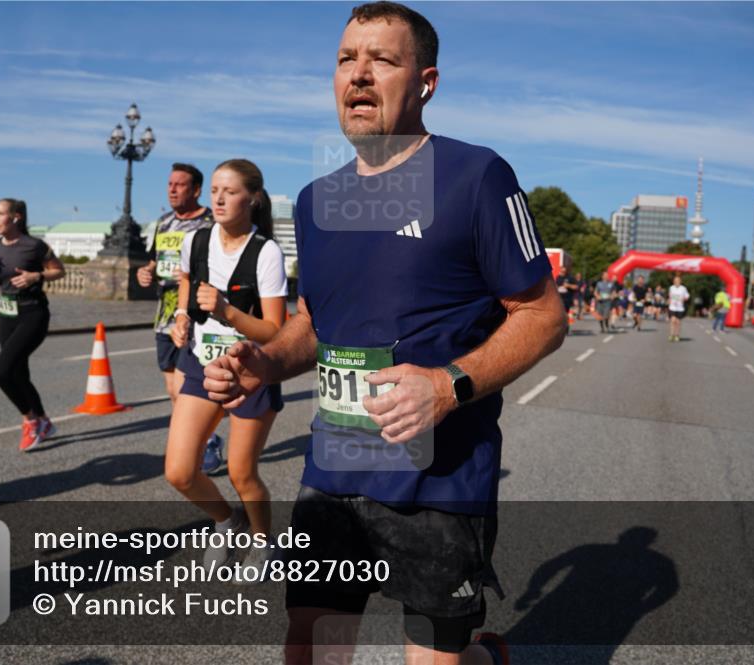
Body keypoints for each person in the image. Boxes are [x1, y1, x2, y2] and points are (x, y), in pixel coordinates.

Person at [203, 4, 566, 662]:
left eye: (382, 60)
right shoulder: (316, 201)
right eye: (347, 59)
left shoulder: (477, 176)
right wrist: (263, 360)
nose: (359, 74)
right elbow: (314, 322)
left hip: (439, 480)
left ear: (426, 82)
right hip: (333, 468)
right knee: (310, 647)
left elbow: (544, 314)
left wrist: (447, 385)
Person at [164, 158, 287, 574]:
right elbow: (185, 280)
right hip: (201, 365)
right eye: (215, 189)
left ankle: (262, 542)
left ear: (252, 197)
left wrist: (228, 311)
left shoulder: (267, 252)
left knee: (241, 473)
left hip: (249, 373)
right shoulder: (196, 241)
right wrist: (182, 316)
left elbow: (275, 332)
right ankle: (226, 521)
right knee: (179, 472)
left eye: (229, 191)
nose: (218, 198)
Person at [137, 163, 226, 475]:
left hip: (195, 317)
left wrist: (192, 275)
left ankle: (207, 441)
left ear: (196, 190)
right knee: (173, 389)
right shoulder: (163, 223)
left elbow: (226, 263)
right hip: (164, 317)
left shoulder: (210, 222)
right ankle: (197, 440)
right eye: (170, 184)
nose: (172, 189)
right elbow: (154, 260)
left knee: (189, 386)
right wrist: (146, 272)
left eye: (180, 184)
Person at [0, 198, 65, 451]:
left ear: (16, 218)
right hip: (7, 314)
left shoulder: (34, 246)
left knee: (2, 371)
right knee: (19, 372)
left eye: (0, 214)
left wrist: (37, 275)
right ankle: (45, 422)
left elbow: (60, 271)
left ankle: (30, 421)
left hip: (32, 313)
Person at [667, 274, 689, 342]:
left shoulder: (683, 288)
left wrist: (684, 299)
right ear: (673, 281)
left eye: (678, 280)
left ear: (680, 281)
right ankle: (671, 335)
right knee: (673, 321)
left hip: (680, 308)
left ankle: (677, 335)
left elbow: (687, 296)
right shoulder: (671, 287)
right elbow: (670, 296)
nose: (677, 282)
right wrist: (669, 302)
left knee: (678, 322)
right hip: (672, 307)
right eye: (675, 280)